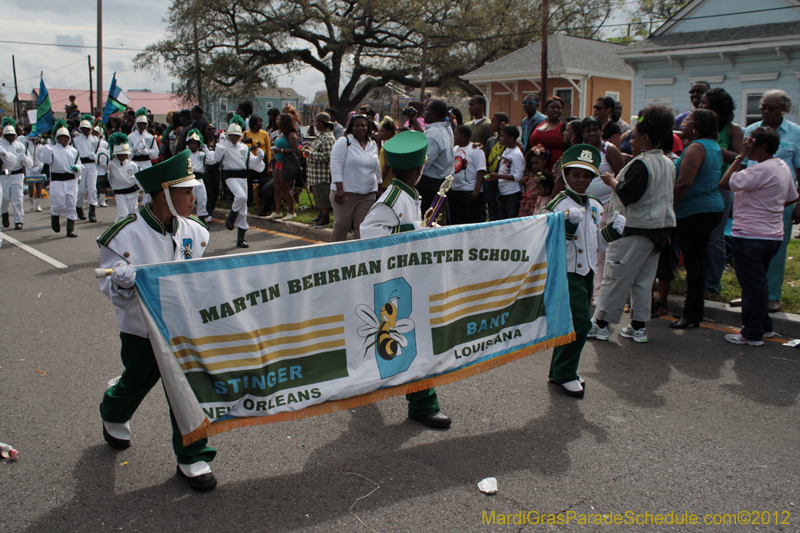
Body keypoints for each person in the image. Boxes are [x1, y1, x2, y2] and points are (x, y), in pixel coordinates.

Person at [97, 149, 217, 492]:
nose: (194, 198)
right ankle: (113, 409)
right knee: (135, 382)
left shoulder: (196, 231)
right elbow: (109, 286)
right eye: (186, 192)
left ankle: (193, 455)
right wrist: (119, 283)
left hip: (182, 329)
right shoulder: (123, 235)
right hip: (141, 330)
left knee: (187, 389)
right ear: (164, 193)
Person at [359, 130, 451, 428]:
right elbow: (369, 235)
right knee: (415, 344)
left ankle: (384, 387)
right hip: (397, 286)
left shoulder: (408, 195)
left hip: (411, 281)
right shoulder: (393, 199)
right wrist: (415, 234)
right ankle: (423, 404)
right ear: (420, 168)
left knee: (404, 344)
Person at [586, 106, 676, 343]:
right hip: (657, 230)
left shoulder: (642, 163)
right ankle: (638, 327)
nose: (631, 142)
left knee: (615, 276)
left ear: (645, 138)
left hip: (634, 229)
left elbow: (629, 194)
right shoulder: (668, 162)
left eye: (634, 137)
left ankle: (601, 324)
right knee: (643, 281)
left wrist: (611, 180)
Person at [543, 144, 626, 398]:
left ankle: (560, 370)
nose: (581, 180)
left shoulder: (595, 205)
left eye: (587, 175)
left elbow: (595, 243)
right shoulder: (557, 204)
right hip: (565, 272)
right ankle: (566, 373)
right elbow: (545, 242)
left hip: (587, 272)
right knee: (579, 323)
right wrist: (566, 227)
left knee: (571, 323)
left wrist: (611, 233)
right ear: (565, 175)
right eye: (576, 174)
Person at [718, 128, 798, 345]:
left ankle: (751, 334)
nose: (746, 146)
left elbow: (725, 182)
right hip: (772, 236)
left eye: (750, 143)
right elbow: (791, 197)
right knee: (759, 284)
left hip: (749, 236)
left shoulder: (759, 171)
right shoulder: (781, 166)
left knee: (751, 288)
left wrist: (740, 156)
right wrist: (770, 207)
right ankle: (765, 327)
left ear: (762, 147)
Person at [740, 90, 800, 313]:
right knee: (748, 249)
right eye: (762, 107)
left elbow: (799, 169)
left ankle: (771, 295)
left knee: (776, 249)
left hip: (779, 201)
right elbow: (745, 165)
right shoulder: (751, 130)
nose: (765, 112)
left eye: (771, 108)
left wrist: (799, 203)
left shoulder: (795, 133)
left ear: (784, 109)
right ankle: (750, 295)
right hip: (751, 200)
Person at [671, 109, 724, 329]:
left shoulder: (696, 147)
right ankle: (695, 312)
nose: (683, 124)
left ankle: (691, 314)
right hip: (710, 208)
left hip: (696, 211)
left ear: (697, 126)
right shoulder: (713, 145)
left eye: (688, 121)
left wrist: (669, 207)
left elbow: (684, 183)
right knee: (697, 263)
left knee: (694, 265)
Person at [698, 88, 743, 296]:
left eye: (705, 103)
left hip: (721, 188)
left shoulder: (732, 130)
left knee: (715, 238)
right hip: (699, 188)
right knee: (698, 238)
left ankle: (712, 284)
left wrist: (712, 146)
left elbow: (739, 158)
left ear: (717, 107)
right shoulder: (701, 128)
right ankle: (697, 282)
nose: (700, 106)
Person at [213, 115, 266, 248]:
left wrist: (259, 158)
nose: (234, 138)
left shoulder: (244, 148)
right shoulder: (224, 146)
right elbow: (216, 158)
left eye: (237, 135)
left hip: (243, 177)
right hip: (230, 176)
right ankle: (231, 216)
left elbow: (252, 163)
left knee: (243, 208)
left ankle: (241, 238)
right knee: (241, 196)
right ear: (229, 135)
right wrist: (221, 143)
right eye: (232, 135)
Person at [329, 114, 380, 241]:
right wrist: (339, 188)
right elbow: (335, 165)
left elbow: (377, 167)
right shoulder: (344, 141)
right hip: (345, 193)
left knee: (362, 227)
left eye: (363, 125)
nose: (360, 128)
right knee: (342, 225)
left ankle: (359, 256)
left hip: (367, 194)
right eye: (357, 125)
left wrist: (379, 187)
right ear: (351, 127)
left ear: (368, 127)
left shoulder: (372, 144)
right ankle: (335, 255)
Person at [41, 120, 83, 238]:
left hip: (71, 180)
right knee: (58, 203)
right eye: (61, 137)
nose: (63, 139)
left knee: (71, 203)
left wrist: (77, 168)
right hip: (57, 180)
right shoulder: (52, 149)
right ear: (57, 138)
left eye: (65, 136)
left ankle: (70, 228)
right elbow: (45, 160)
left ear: (69, 138)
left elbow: (79, 164)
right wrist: (46, 147)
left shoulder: (74, 151)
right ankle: (55, 217)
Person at [417, 99, 455, 214]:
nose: (424, 114)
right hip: (443, 181)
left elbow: (425, 163)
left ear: (433, 113)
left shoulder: (433, 134)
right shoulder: (447, 129)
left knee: (429, 217)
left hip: (431, 184)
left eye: (427, 110)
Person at [266, 113, 301, 221]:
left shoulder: (291, 135)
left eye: (279, 120)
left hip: (286, 163)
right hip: (278, 162)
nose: (277, 122)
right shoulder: (280, 133)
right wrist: (272, 159)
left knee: (285, 188)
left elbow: (297, 151)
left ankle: (291, 211)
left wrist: (281, 150)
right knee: (276, 188)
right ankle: (277, 211)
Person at [0, 118, 33, 230]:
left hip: (18, 175)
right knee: (5, 197)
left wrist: (25, 159)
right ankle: (4, 213)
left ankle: (18, 220)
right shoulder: (0, 145)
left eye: (12, 134)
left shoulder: (21, 146)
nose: (10, 136)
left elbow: (30, 163)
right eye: (7, 135)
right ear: (4, 135)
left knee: (18, 198)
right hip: (4, 175)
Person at [485, 125, 524, 219]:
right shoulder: (506, 150)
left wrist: (499, 176)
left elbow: (519, 176)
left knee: (510, 220)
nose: (501, 138)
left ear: (511, 138)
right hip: (503, 192)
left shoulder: (517, 154)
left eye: (503, 136)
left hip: (512, 194)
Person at [450, 124, 486, 224]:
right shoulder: (455, 149)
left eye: (455, 134)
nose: (453, 137)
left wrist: (476, 190)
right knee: (457, 220)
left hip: (469, 190)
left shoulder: (475, 149)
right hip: (456, 190)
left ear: (462, 136)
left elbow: (480, 170)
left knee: (470, 219)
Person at [305, 112, 336, 228]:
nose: (315, 124)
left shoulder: (328, 137)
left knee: (323, 196)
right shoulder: (320, 136)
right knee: (318, 196)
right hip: (316, 175)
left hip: (322, 174)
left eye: (316, 122)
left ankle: (325, 217)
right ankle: (321, 214)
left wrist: (310, 153)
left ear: (321, 123)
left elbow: (328, 156)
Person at [101, 132, 140, 221]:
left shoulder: (133, 165)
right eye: (120, 154)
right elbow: (102, 163)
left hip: (132, 194)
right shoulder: (110, 164)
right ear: (115, 154)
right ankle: (116, 231)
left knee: (133, 216)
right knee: (123, 216)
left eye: (125, 154)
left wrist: (139, 188)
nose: (123, 156)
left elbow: (139, 180)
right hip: (120, 194)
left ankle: (127, 233)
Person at [71, 114, 100, 222]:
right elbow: (74, 154)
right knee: (81, 190)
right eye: (83, 128)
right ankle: (79, 208)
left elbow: (100, 154)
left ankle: (92, 212)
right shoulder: (76, 140)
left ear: (90, 128)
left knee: (92, 189)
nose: (85, 130)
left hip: (92, 165)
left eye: (87, 128)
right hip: (81, 165)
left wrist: (95, 157)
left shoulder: (96, 140)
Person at [186, 128, 216, 222]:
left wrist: (205, 149)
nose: (193, 145)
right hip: (189, 179)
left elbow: (212, 160)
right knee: (189, 200)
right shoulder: (186, 154)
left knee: (202, 198)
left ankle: (202, 220)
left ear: (199, 144)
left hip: (199, 179)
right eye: (191, 143)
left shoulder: (202, 154)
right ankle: (186, 218)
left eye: (195, 143)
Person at [529, 97, 565, 172]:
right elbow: (528, 149)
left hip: (556, 172)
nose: (556, 110)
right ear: (546, 109)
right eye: (552, 107)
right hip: (535, 172)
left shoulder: (564, 127)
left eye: (559, 108)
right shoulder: (536, 125)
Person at [243, 114, 271, 208]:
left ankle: (260, 201)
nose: (261, 124)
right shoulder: (246, 134)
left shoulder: (264, 134)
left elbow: (268, 149)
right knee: (248, 180)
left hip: (262, 161)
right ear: (254, 124)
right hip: (250, 161)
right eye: (259, 122)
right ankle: (249, 201)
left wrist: (269, 164)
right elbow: (241, 146)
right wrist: (251, 147)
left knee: (262, 181)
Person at [519, 146, 549, 217]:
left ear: (544, 162)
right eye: (532, 164)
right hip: (526, 205)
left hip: (536, 205)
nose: (534, 166)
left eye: (536, 163)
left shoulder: (544, 176)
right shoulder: (530, 175)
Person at [129, 108, 159, 172]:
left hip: (147, 163)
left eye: (144, 124)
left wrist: (148, 151)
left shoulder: (150, 137)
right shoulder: (130, 137)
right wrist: (134, 149)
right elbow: (127, 153)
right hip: (135, 163)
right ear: (136, 124)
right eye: (140, 123)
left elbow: (156, 153)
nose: (142, 125)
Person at [93, 122, 110, 208]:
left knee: (103, 183)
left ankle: (102, 200)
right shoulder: (91, 141)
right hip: (94, 165)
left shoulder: (105, 143)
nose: (95, 134)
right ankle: (95, 198)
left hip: (102, 165)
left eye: (97, 132)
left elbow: (107, 153)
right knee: (95, 183)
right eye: (94, 132)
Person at [379, 117, 397, 191]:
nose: (380, 133)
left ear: (389, 132)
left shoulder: (389, 144)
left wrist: (381, 181)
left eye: (382, 131)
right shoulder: (393, 142)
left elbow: (387, 165)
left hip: (386, 183)